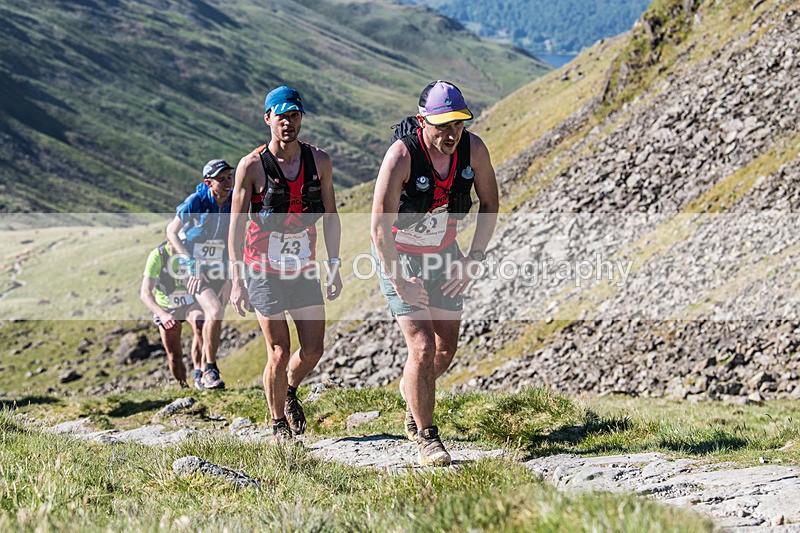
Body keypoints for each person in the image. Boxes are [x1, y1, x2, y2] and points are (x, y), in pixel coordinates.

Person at [370, 80, 499, 466]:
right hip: (399, 255)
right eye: (442, 124)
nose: (451, 133)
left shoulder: (473, 149)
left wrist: (472, 258)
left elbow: (490, 204)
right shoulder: (401, 158)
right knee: (422, 347)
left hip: (444, 253)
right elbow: (377, 227)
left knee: (445, 349)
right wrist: (399, 280)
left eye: (458, 123)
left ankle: (412, 390)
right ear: (422, 119)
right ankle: (427, 437)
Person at [228, 86, 343, 443]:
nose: (288, 123)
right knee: (278, 349)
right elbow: (234, 226)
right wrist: (236, 279)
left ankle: (289, 390)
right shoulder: (251, 167)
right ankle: (278, 424)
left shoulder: (319, 161)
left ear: (301, 118)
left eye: (294, 115)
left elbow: (331, 215)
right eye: (281, 116)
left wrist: (334, 263)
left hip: (302, 268)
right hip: (262, 269)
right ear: (268, 119)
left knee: (313, 349)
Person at [166, 159, 233, 390]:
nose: (227, 183)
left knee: (207, 321)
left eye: (229, 177)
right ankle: (210, 369)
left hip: (220, 268)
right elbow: (171, 232)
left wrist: (231, 279)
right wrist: (190, 262)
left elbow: (240, 240)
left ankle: (199, 373)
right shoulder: (196, 201)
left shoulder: (235, 201)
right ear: (208, 182)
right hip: (192, 269)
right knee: (214, 311)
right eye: (221, 179)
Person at [139, 240, 204, 388]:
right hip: (166, 308)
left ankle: (199, 375)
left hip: (189, 304)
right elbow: (145, 293)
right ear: (170, 240)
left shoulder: (192, 250)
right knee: (174, 356)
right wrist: (162, 315)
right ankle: (183, 386)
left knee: (201, 323)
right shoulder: (158, 255)